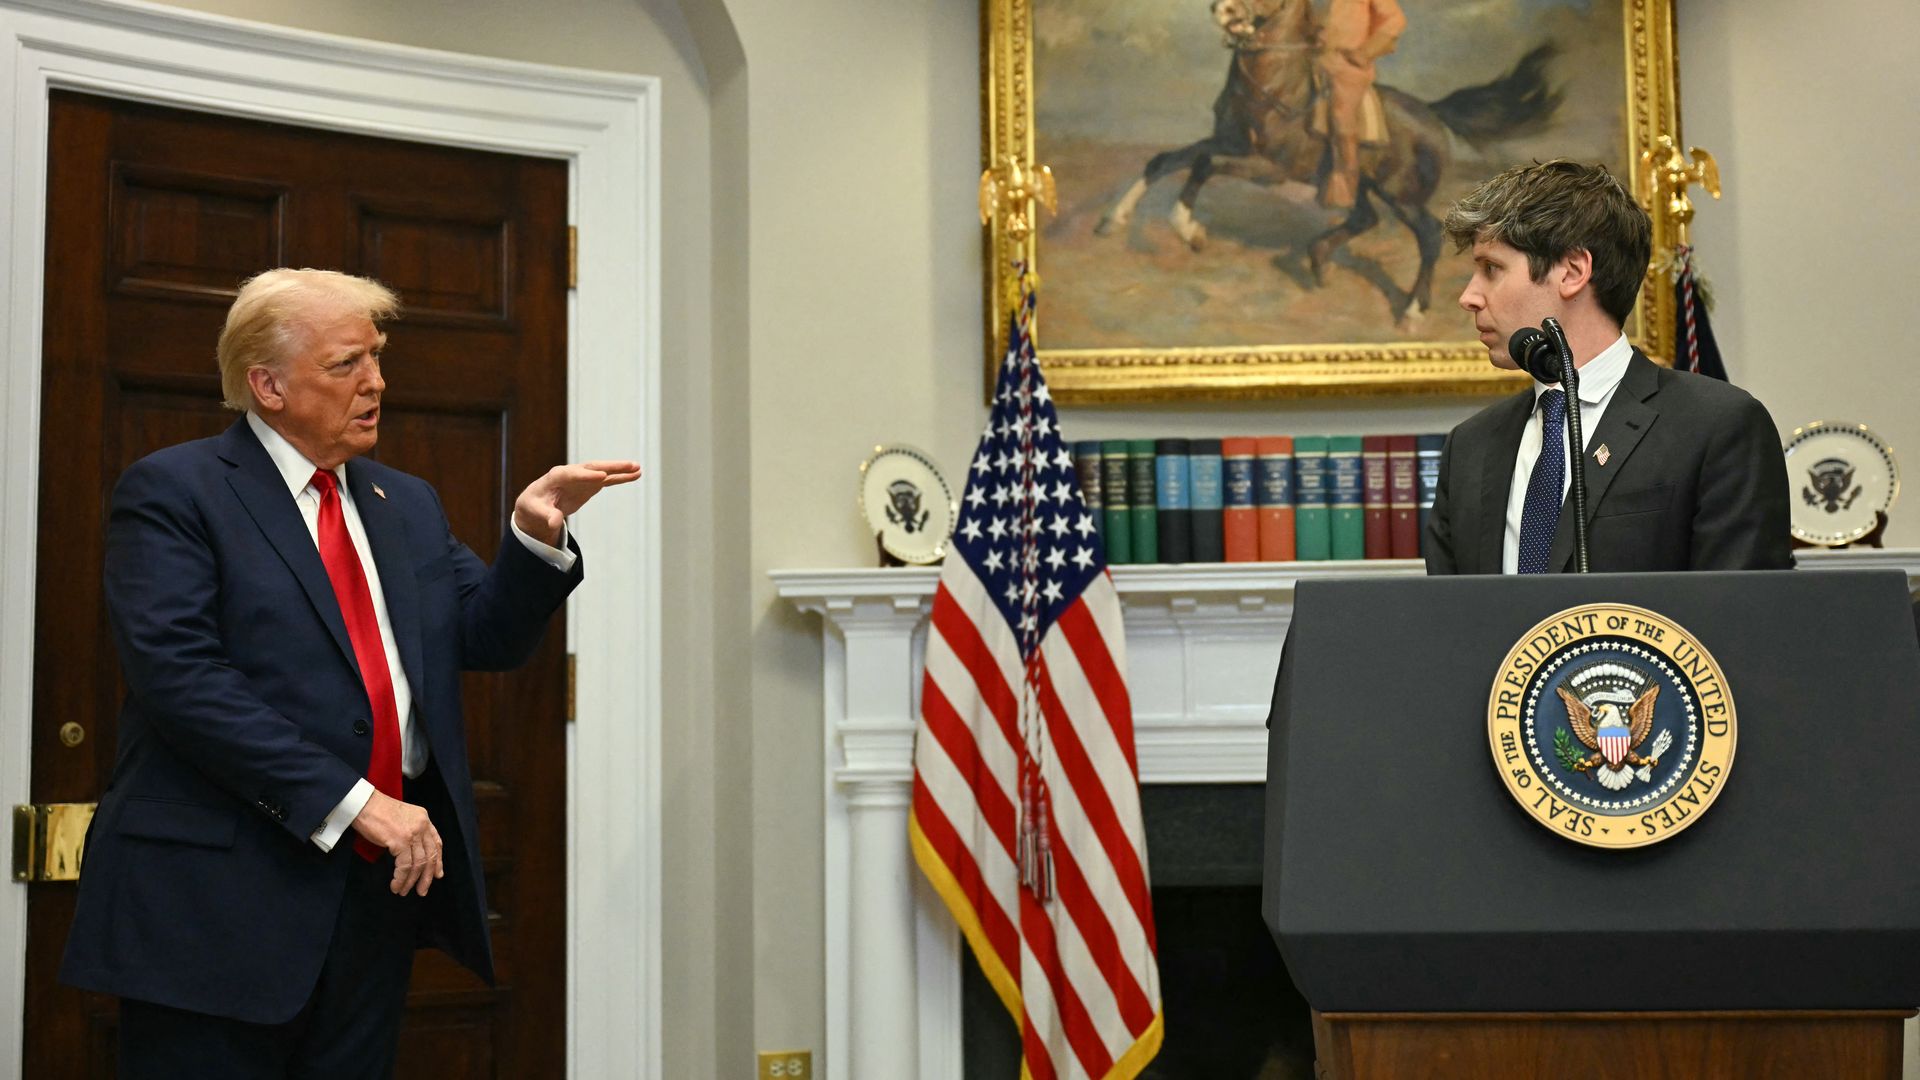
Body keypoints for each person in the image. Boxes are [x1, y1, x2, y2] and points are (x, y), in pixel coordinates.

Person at [58, 268, 640, 1077]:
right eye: (346, 364)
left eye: (376, 357)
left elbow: (483, 635)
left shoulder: (404, 501)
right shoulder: (175, 491)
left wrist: (534, 536)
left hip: (370, 903)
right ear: (268, 385)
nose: (376, 382)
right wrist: (361, 803)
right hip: (213, 907)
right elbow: (181, 680)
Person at [1422, 159, 1791, 575]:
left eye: (1491, 269)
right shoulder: (1470, 448)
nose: (1469, 297)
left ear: (1574, 272)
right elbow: (1447, 623)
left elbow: (1742, 616)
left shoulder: (1717, 427)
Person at [1313, 0, 1406, 209]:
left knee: (1341, 116)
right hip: (1315, 59)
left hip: (1347, 64)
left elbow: (1395, 20)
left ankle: (1344, 188)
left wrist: (1365, 53)